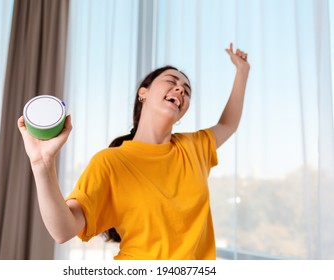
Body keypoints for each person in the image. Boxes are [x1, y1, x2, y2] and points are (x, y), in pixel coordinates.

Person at [18, 43, 249, 260]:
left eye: (186, 91)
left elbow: (229, 124)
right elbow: (63, 230)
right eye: (171, 81)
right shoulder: (111, 162)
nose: (180, 89)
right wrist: (42, 164)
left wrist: (242, 71)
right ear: (143, 93)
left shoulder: (194, 147)